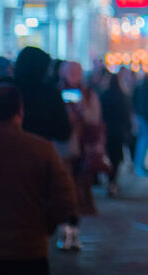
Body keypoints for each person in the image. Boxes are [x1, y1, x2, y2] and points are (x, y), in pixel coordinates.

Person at [0, 83, 76, 275]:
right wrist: (46, 224)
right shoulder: (42, 149)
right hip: (29, 246)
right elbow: (66, 198)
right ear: (20, 110)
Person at [55, 62, 107, 252]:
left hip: (82, 150)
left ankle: (74, 231)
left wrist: (82, 109)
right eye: (70, 72)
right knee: (63, 191)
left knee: (79, 191)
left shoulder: (89, 94)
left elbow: (95, 120)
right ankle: (64, 230)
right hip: (61, 149)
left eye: (77, 72)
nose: (74, 75)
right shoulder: (55, 93)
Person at [13, 46, 71, 143]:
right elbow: (63, 133)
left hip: (7, 148)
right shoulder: (50, 94)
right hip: (40, 149)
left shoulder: (7, 90)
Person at [100, 70, 132, 196]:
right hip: (118, 131)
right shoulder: (123, 97)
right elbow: (126, 116)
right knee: (116, 158)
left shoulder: (104, 95)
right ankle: (113, 181)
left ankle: (110, 181)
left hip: (107, 130)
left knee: (109, 156)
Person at [132, 70, 148, 176]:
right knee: (144, 141)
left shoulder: (140, 86)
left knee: (142, 140)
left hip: (141, 116)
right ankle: (139, 166)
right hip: (146, 117)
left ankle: (139, 165)